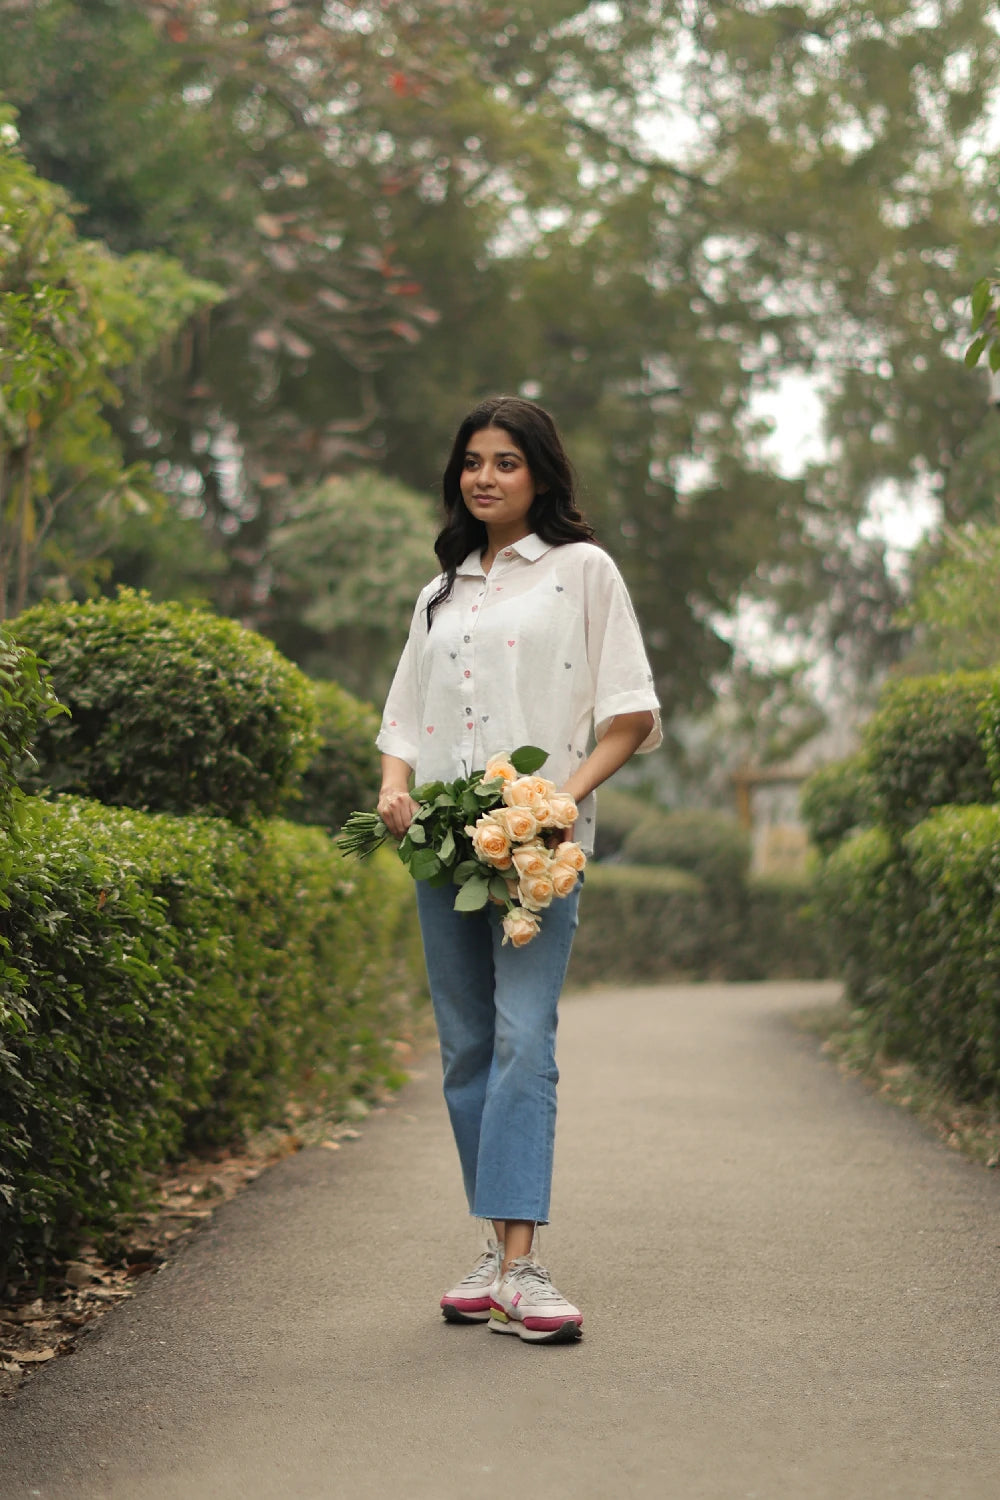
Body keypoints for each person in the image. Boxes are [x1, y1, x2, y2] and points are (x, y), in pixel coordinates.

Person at [376, 395, 661, 1344]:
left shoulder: (583, 571)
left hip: (538, 846)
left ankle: (523, 1267)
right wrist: (393, 788)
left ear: (540, 472)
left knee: (521, 1038)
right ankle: (493, 1256)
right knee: (463, 1048)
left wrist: (562, 799)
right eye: (471, 461)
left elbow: (629, 711)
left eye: (505, 461)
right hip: (443, 845)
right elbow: (404, 713)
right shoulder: (440, 592)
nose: (485, 476)